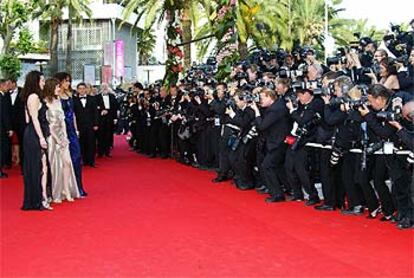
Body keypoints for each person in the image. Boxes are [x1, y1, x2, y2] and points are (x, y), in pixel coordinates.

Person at [44, 78, 80, 203]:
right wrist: (57, 139)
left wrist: (65, 137)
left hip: (63, 135)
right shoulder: (45, 103)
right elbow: (48, 125)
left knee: (67, 163)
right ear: (51, 88)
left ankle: (67, 190)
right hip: (52, 138)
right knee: (55, 165)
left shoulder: (58, 101)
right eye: (57, 87)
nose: (59, 89)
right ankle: (56, 192)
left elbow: (63, 120)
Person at [21, 71, 52, 210]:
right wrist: (41, 138)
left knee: (40, 167)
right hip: (34, 134)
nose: (44, 83)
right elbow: (33, 119)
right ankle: (39, 199)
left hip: (32, 133)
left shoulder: (31, 97)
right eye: (42, 80)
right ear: (35, 81)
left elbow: (27, 118)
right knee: (39, 167)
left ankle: (39, 198)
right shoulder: (33, 97)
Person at [54, 72, 87, 197]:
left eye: (69, 81)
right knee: (63, 160)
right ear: (60, 82)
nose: (68, 83)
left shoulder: (70, 95)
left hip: (71, 130)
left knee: (76, 157)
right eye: (66, 81)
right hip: (60, 130)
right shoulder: (55, 96)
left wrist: (76, 129)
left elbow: (72, 114)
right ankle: (63, 188)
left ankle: (77, 187)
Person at [73, 82, 99, 167]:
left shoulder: (92, 99)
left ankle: (91, 161)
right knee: (81, 143)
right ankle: (83, 161)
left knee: (91, 143)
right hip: (80, 125)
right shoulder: (74, 100)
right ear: (77, 90)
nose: (82, 90)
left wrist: (96, 124)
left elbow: (95, 112)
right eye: (80, 89)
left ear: (86, 89)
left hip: (90, 125)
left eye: (83, 88)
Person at [96, 83, 119, 157]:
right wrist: (101, 111)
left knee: (108, 134)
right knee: (100, 135)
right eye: (103, 87)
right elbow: (95, 109)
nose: (105, 88)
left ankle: (107, 152)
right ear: (101, 88)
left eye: (106, 87)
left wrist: (115, 118)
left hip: (110, 117)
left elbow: (115, 108)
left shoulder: (112, 97)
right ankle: (100, 152)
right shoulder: (97, 97)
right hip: (101, 118)